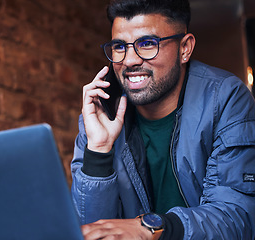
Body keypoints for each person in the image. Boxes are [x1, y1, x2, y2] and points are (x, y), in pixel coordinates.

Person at [70, 0, 255, 239]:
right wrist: (99, 151)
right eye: (119, 46)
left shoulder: (226, 98)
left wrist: (151, 228)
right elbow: (91, 230)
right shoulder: (101, 114)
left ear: (185, 48)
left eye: (147, 44)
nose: (129, 61)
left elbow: (237, 217)